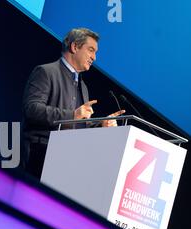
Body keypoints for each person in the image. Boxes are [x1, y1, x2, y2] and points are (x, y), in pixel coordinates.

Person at [22, 28, 125, 179]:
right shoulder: (46, 72)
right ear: (74, 47)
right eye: (91, 50)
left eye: (95, 52)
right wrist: (73, 115)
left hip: (67, 162)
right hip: (39, 156)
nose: (94, 57)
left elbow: (79, 127)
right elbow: (31, 109)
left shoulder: (83, 87)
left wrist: (101, 124)